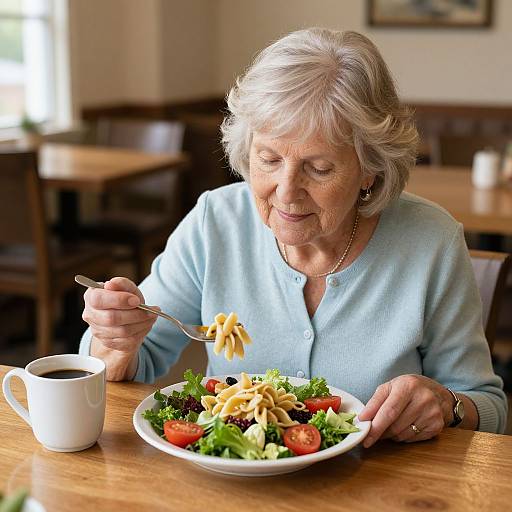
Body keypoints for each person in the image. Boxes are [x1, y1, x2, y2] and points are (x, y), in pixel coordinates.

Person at [79, 28, 507, 446]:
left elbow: (489, 408)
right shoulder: (216, 222)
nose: (285, 191)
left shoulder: (431, 242)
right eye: (268, 159)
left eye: (318, 168)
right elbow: (132, 357)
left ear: (370, 169)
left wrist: (447, 405)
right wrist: (115, 339)